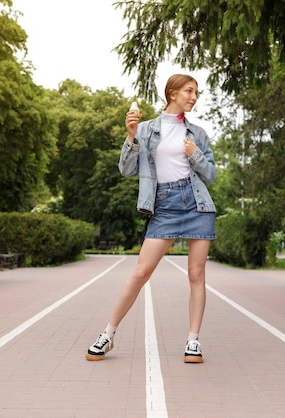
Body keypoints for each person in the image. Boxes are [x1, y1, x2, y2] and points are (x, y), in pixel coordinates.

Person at [85, 74, 217, 363]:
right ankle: (107, 334)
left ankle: (193, 341)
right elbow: (127, 170)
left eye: (196, 93)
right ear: (172, 93)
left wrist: (195, 155)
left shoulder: (198, 133)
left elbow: (211, 175)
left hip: (197, 204)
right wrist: (130, 135)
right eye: (188, 91)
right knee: (141, 272)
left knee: (196, 274)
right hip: (165, 206)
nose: (194, 97)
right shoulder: (146, 130)